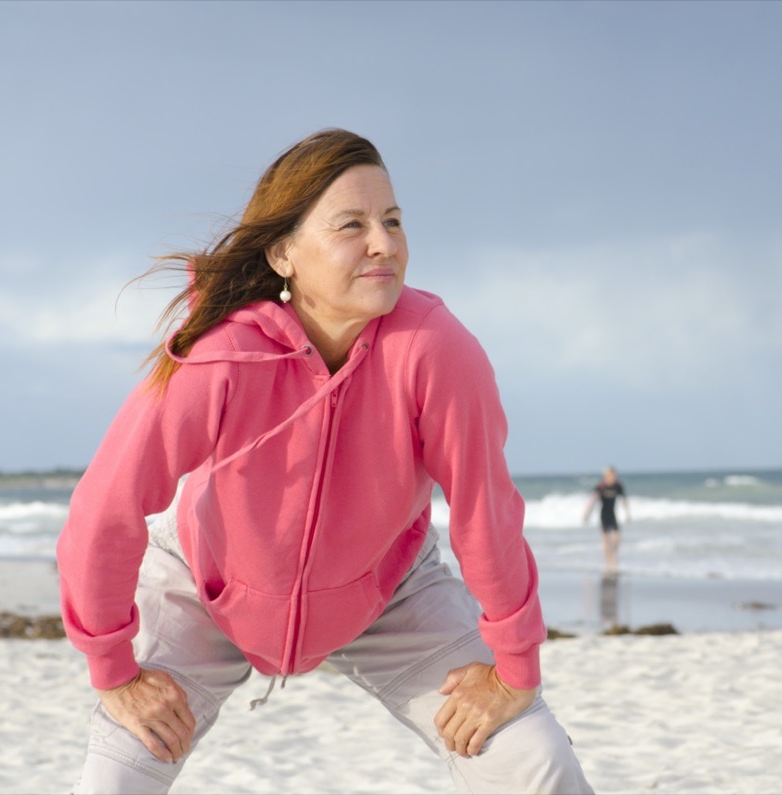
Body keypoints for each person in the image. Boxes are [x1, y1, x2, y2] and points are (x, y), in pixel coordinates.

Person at [56, 129, 592, 794]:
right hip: (206, 580)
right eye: (352, 225)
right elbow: (105, 506)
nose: (384, 243)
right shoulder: (222, 358)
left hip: (385, 588)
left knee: (536, 761)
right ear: (283, 253)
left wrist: (515, 668)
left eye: (393, 220)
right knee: (114, 781)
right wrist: (113, 669)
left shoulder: (436, 349)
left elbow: (484, 511)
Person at [581, 466, 631, 571]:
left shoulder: (617, 486)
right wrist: (587, 514)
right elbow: (592, 500)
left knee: (617, 538)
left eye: (614, 475)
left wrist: (627, 513)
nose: (612, 477)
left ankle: (613, 555)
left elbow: (623, 500)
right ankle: (608, 561)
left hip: (613, 514)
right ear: (606, 476)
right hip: (604, 515)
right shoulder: (601, 486)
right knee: (606, 539)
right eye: (610, 475)